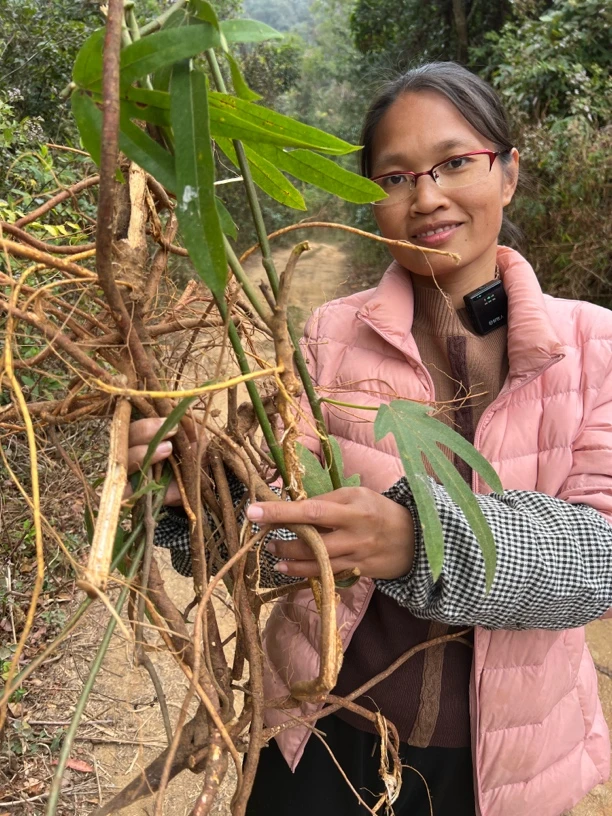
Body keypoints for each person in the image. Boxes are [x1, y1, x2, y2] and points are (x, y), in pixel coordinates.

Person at [128, 62, 612, 816]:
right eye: (395, 177)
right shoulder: (329, 335)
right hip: (321, 732)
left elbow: (601, 560)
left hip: (497, 771)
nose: (427, 197)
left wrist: (418, 542)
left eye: (456, 163)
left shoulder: (594, 345)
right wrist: (197, 495)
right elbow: (272, 541)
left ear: (509, 172)